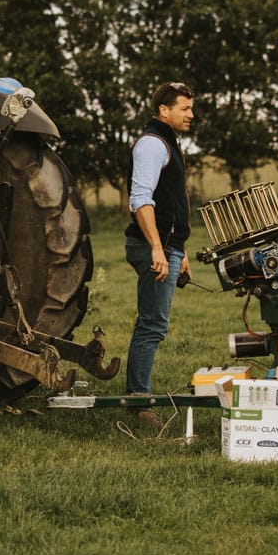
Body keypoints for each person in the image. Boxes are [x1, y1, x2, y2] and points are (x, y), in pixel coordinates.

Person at [125, 82, 194, 426]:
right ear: (163, 111)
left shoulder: (169, 143)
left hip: (168, 247)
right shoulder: (152, 144)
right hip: (153, 246)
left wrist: (181, 254)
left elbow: (174, 204)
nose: (190, 115)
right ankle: (139, 403)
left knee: (154, 323)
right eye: (184, 108)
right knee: (151, 324)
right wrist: (157, 248)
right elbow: (141, 198)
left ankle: (139, 396)